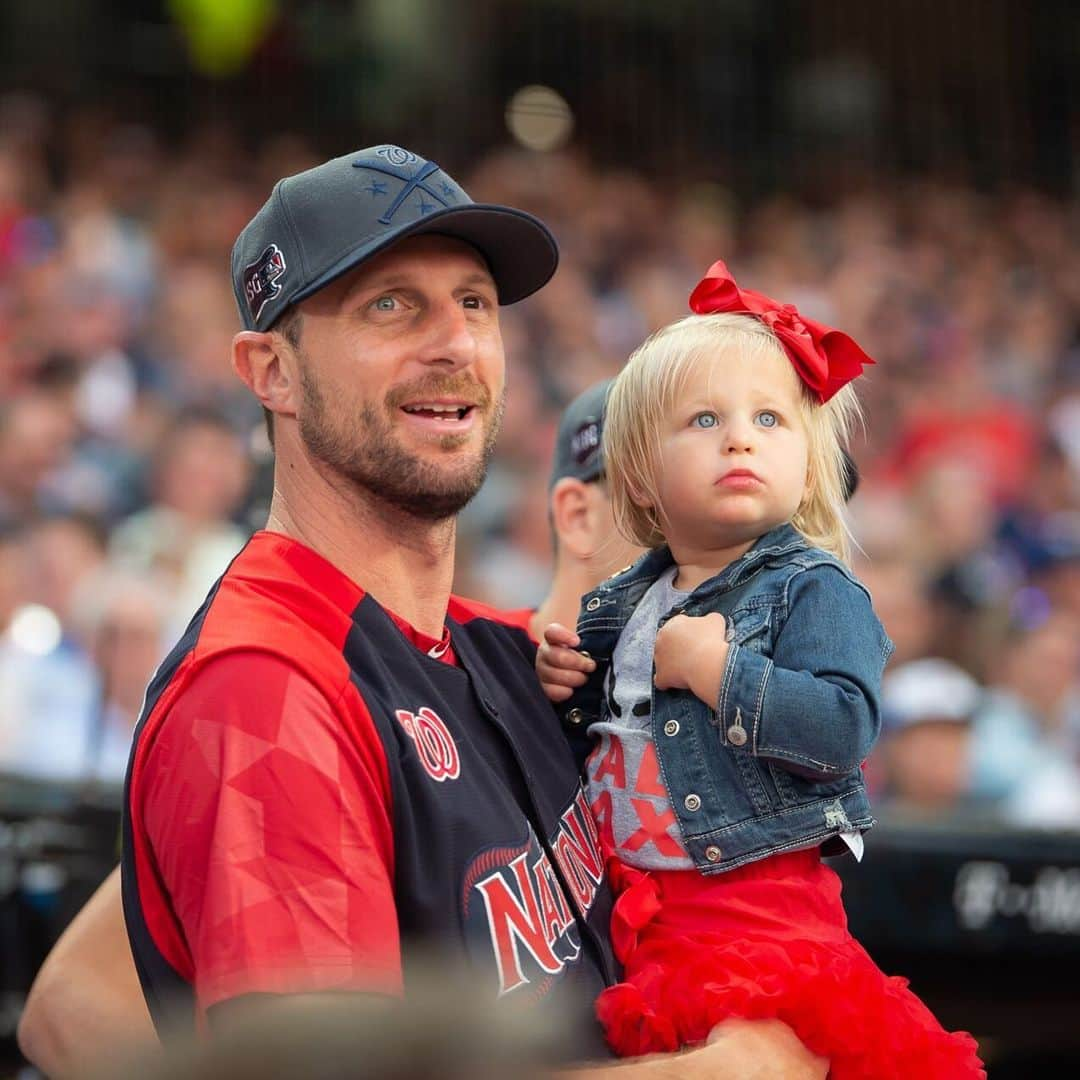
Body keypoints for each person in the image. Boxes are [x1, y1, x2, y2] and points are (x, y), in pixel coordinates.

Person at [20, 149, 825, 1079]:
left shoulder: (496, 650)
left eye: (475, 302)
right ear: (271, 372)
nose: (454, 343)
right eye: (390, 305)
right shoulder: (263, 689)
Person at [537, 261, 986, 1077]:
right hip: (632, 912)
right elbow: (594, 736)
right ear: (638, 475)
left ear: (810, 466)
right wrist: (560, 680)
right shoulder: (615, 602)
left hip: (756, 918)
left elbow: (842, 731)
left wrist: (722, 672)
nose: (740, 437)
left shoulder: (814, 588)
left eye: (770, 419)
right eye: (704, 419)